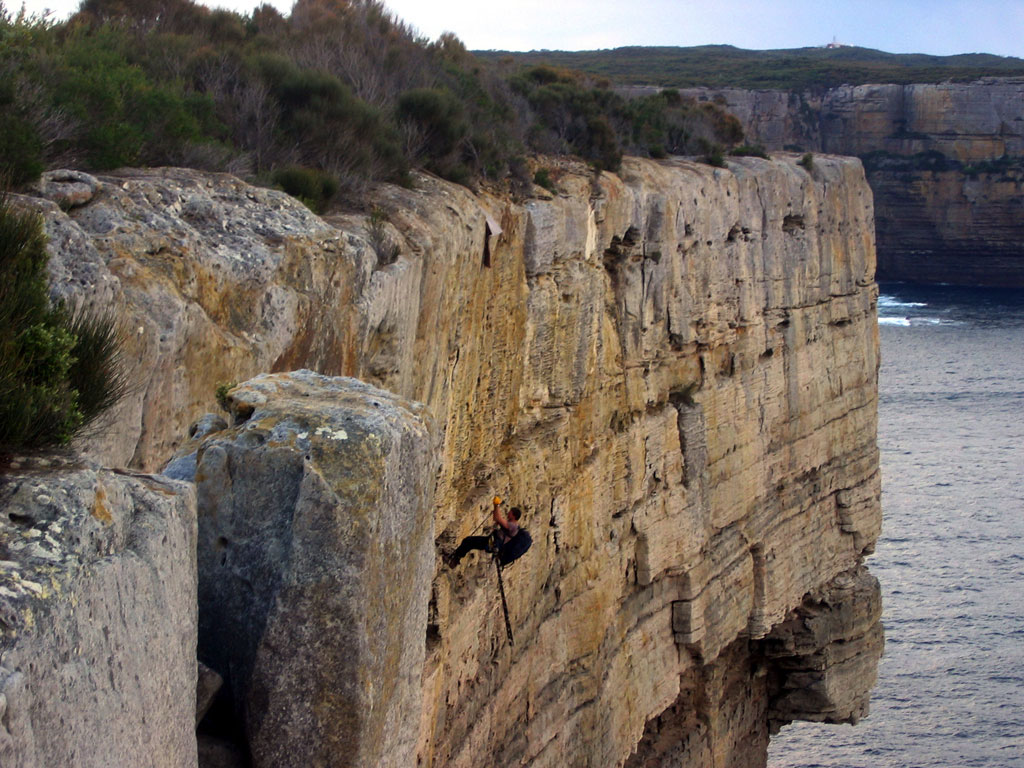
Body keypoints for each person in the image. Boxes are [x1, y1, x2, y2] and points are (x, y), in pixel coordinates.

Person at [447, 496, 530, 567]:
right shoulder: (511, 524)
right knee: (469, 542)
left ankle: (455, 559)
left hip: (494, 544)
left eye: (510, 513)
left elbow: (498, 518)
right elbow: (496, 518)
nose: (508, 514)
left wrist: (496, 505)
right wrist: (495, 507)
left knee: (469, 541)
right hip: (493, 542)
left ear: (514, 516)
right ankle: (455, 557)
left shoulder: (513, 526)